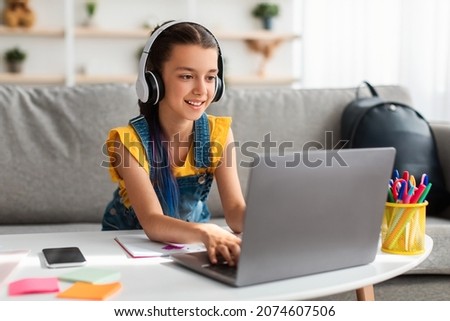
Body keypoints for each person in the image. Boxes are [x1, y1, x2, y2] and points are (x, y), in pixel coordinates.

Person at [102, 20, 246, 266]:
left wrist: (273, 224)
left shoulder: (218, 133)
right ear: (153, 82)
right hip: (129, 246)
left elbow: (234, 211)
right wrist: (206, 231)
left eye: (211, 77)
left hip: (190, 244)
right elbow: (152, 221)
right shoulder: (127, 142)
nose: (202, 90)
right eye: (187, 76)